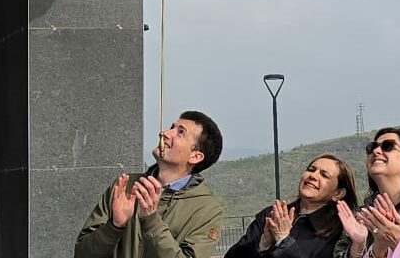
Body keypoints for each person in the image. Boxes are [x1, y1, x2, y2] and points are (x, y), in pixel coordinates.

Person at [75, 111, 225, 258]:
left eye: (180, 132)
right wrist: (114, 226)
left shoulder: (208, 210)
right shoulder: (125, 186)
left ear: (195, 156)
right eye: (171, 127)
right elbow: (81, 254)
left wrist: (152, 221)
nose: (164, 133)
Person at [224, 153, 360, 258]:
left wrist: (284, 240)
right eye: (311, 169)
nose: (313, 176)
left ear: (338, 193)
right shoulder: (272, 215)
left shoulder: (338, 231)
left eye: (324, 175)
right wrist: (262, 243)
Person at [335, 127, 400, 257]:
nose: (376, 151)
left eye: (388, 146)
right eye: (371, 147)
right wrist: (358, 245)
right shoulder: (361, 216)